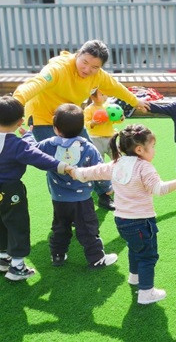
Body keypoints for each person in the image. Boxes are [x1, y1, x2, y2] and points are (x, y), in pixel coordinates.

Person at [12, 40, 150, 210]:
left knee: (91, 155)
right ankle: (63, 204)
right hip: (43, 118)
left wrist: (136, 101)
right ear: (78, 54)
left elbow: (117, 88)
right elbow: (36, 83)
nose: (87, 69)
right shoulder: (59, 68)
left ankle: (104, 194)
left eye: (94, 67)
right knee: (56, 162)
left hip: (70, 118)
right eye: (84, 62)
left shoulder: (98, 76)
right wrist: (16, 102)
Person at [69, 124, 176, 305]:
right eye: (153, 147)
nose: (154, 151)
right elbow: (159, 189)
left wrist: (76, 172)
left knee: (135, 248)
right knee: (148, 256)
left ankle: (134, 277)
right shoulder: (144, 167)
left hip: (122, 221)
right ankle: (146, 293)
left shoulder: (117, 164)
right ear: (140, 149)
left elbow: (93, 172)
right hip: (141, 222)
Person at [25, 104, 118, 269]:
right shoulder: (88, 147)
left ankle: (57, 255)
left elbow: (33, 151)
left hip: (59, 198)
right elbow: (99, 171)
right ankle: (96, 258)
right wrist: (106, 188)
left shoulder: (49, 144)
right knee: (88, 229)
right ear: (82, 127)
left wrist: (28, 134)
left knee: (60, 227)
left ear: (55, 128)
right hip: (83, 199)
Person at [0, 96, 71, 281]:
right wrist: (63, 166)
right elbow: (38, 157)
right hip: (10, 191)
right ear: (20, 121)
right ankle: (17, 267)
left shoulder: (17, 143)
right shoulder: (16, 144)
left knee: (1, 222)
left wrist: (26, 136)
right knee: (17, 225)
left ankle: (2, 258)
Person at [84, 89, 123, 161]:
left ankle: (118, 171)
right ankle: (101, 172)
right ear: (93, 97)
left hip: (110, 137)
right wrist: (93, 123)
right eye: (101, 95)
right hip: (96, 139)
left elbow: (113, 120)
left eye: (105, 94)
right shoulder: (89, 109)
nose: (105, 96)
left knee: (117, 158)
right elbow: (86, 123)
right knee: (98, 159)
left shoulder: (109, 107)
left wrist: (120, 119)